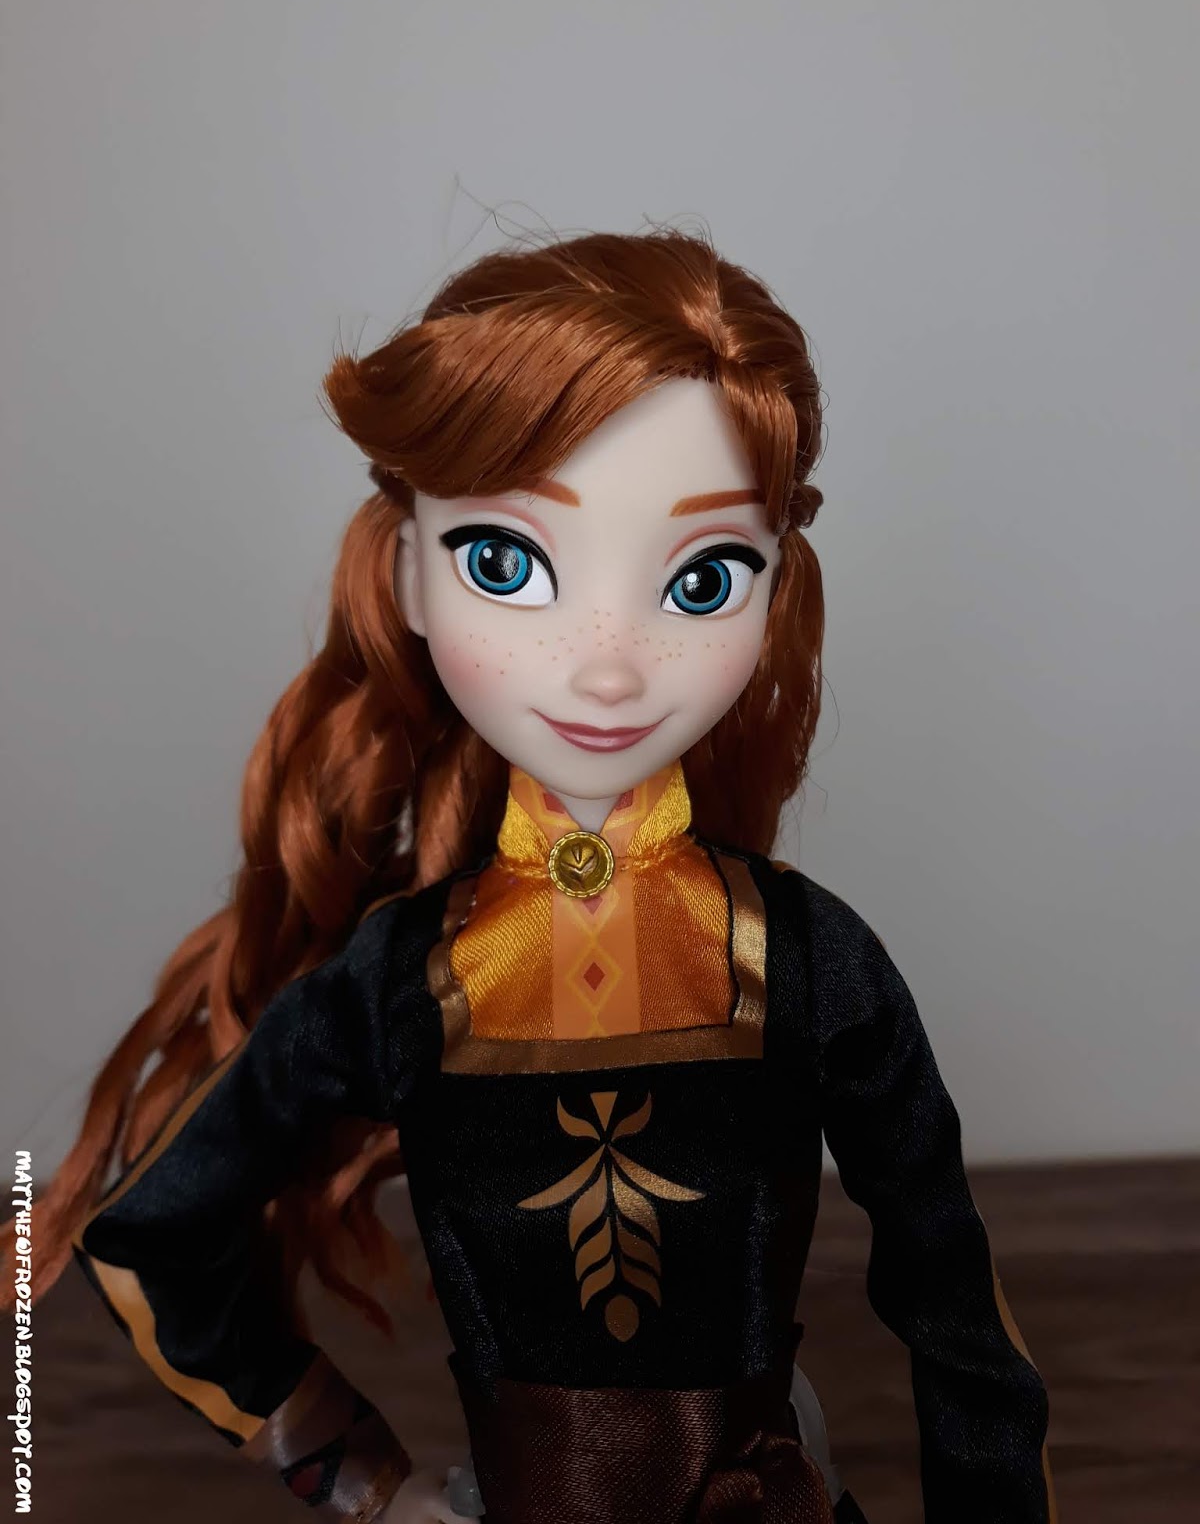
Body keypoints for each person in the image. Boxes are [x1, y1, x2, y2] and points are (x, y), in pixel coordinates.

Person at [1, 230, 1056, 1523]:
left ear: (776, 592)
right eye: (506, 564)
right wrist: (366, 1486)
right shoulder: (408, 982)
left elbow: (960, 1322)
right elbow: (146, 1241)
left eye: (703, 578)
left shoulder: (803, 961)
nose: (607, 668)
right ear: (407, 574)